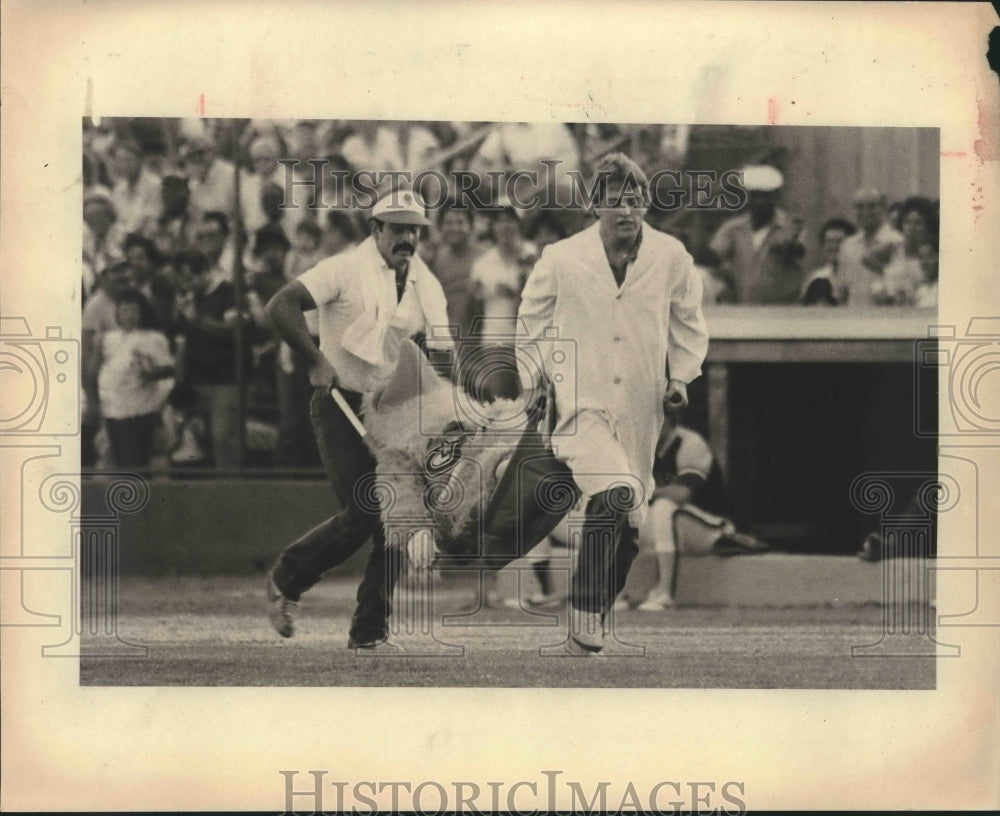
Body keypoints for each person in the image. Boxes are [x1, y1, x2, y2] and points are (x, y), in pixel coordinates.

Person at [514, 152, 709, 655]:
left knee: (632, 520)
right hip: (580, 400)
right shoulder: (561, 258)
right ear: (594, 205)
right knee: (617, 490)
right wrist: (534, 378)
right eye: (614, 200)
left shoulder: (672, 256)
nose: (625, 210)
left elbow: (688, 322)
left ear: (646, 203)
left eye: (634, 199)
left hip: (643, 405)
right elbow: (531, 322)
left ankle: (593, 615)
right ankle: (583, 606)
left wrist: (681, 377)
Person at [264, 185, 453, 650]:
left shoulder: (426, 283)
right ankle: (286, 580)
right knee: (367, 510)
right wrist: (315, 359)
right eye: (397, 228)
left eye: (414, 229)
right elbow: (280, 306)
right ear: (376, 229)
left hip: (397, 414)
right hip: (339, 401)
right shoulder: (343, 268)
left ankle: (369, 631)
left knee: (399, 517)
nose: (407, 236)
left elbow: (442, 353)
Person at [620, 408, 768, 611]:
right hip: (675, 529)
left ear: (671, 420)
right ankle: (624, 593)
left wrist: (643, 491)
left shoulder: (689, 443)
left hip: (712, 527)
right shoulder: (640, 447)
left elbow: (681, 494)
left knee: (664, 507)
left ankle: (665, 593)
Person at [91, 288, 175, 468]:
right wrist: (96, 351)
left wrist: (147, 371)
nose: (127, 315)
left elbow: (168, 371)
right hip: (112, 410)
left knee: (135, 464)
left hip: (137, 410)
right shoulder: (109, 338)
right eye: (123, 310)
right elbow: (95, 370)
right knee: (118, 463)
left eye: (132, 310)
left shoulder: (154, 338)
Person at [707, 165, 805, 304]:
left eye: (765, 196)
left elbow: (797, 250)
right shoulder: (733, 228)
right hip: (743, 311)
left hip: (782, 314)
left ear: (775, 197)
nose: (760, 201)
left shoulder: (790, 226)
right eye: (755, 195)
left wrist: (788, 241)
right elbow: (713, 257)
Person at [469, 202, 537, 401]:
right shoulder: (483, 262)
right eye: (500, 221)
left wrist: (516, 291)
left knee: (533, 403)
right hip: (496, 339)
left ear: (518, 224)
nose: (505, 226)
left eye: (510, 220)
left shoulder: (532, 254)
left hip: (531, 338)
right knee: (501, 404)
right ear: (493, 226)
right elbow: (475, 305)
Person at [837, 188, 903, 307]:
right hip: (853, 319)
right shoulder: (847, 246)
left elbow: (902, 286)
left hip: (887, 319)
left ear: (883, 208)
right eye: (860, 207)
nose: (865, 212)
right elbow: (843, 290)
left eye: (872, 206)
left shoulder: (897, 241)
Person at [872, 196, 938, 305]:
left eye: (918, 223)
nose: (911, 228)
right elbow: (866, 258)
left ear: (928, 226)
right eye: (907, 222)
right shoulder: (895, 248)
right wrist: (886, 273)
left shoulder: (933, 254)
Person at [109, 139, 162, 237]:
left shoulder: (155, 184)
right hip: (122, 239)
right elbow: (116, 221)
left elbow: (151, 219)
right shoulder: (118, 189)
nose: (124, 165)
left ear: (140, 160)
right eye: (120, 161)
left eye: (129, 160)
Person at [800, 218, 856, 306]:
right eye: (829, 241)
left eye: (839, 241)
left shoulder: (858, 276)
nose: (833, 246)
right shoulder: (816, 277)